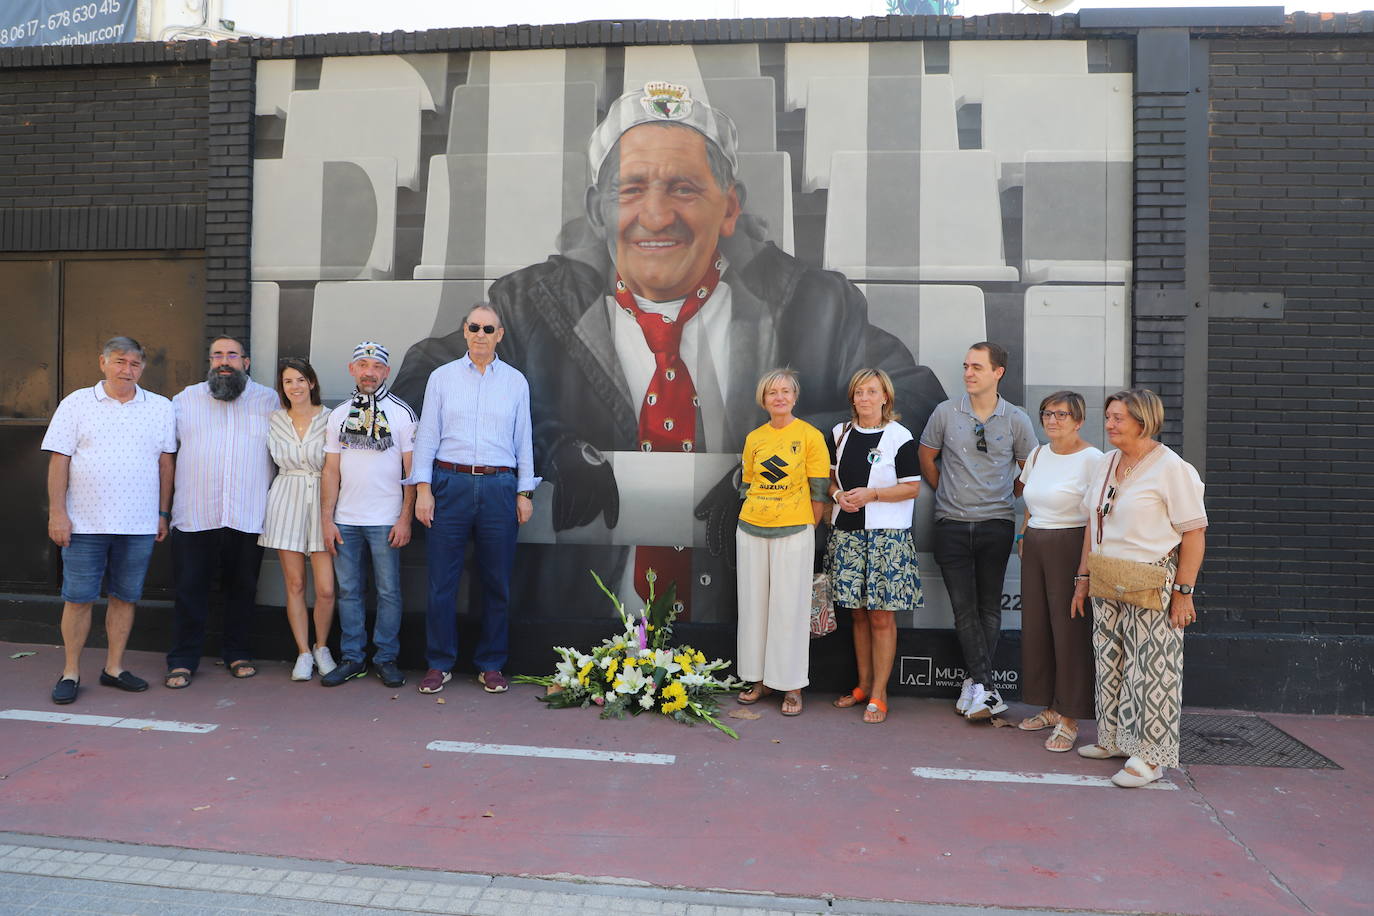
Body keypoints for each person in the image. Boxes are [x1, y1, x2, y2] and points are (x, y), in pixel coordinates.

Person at [391, 80, 945, 620]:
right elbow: (422, 385)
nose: (654, 216)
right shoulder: (528, 305)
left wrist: (775, 456)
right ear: (596, 210)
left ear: (729, 207)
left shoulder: (816, 304)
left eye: (683, 188)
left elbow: (916, 400)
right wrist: (547, 439)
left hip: (744, 608)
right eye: (630, 190)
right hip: (579, 621)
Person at [1071, 389, 1207, 788]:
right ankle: (1114, 738)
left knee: (1153, 669)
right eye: (1109, 417)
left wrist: (1184, 591)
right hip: (1106, 574)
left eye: (1118, 419)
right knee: (1110, 660)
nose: (1110, 424)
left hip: (1152, 577)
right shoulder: (1107, 462)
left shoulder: (1171, 468)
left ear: (1143, 422)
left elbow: (1195, 533)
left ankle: (1150, 757)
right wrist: (1082, 578)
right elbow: (1091, 524)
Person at [41, 336, 175, 705]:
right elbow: (59, 461)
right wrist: (57, 513)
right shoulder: (77, 403)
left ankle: (114, 668)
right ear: (102, 362)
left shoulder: (160, 407)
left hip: (138, 525)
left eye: (134, 364)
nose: (126, 370)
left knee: (125, 598)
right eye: (119, 362)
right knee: (79, 599)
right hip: (84, 524)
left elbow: (166, 464)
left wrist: (162, 513)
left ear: (142, 368)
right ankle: (70, 671)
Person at [411, 305, 537, 695]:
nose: (480, 333)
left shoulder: (516, 382)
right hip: (450, 483)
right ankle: (439, 663)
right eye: (474, 327)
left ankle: (492, 664)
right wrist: (423, 490)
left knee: (497, 581)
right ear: (464, 332)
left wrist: (524, 491)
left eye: (488, 328)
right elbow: (427, 437)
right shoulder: (442, 378)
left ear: (500, 335)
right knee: (441, 582)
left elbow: (524, 440)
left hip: (500, 486)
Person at [919, 341, 1038, 721]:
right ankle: (986, 689)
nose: (969, 373)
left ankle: (977, 686)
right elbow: (926, 456)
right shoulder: (944, 412)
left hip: (997, 524)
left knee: (989, 607)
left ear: (997, 373)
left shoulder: (1016, 418)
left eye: (977, 367)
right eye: (966, 366)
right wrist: (945, 492)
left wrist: (1008, 493)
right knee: (963, 609)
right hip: (950, 524)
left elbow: (1029, 467)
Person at [165, 336, 279, 688]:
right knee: (189, 590)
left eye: (232, 355)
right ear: (209, 361)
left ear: (246, 361)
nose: (224, 361)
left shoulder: (269, 400)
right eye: (218, 355)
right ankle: (183, 659)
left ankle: (238, 653)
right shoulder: (184, 401)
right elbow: (165, 456)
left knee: (243, 589)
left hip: (247, 512)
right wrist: (162, 510)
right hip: (195, 513)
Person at [827, 368, 923, 725]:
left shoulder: (900, 436)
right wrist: (838, 494)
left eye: (872, 392)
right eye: (859, 392)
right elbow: (830, 478)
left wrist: (873, 494)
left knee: (882, 615)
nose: (865, 398)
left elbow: (912, 487)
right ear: (852, 398)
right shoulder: (840, 433)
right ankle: (863, 685)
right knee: (857, 613)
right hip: (848, 534)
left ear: (886, 398)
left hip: (887, 537)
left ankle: (880, 694)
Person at [320, 342, 417, 689]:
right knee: (348, 591)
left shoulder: (402, 413)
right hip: (346, 518)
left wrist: (405, 518)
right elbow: (331, 471)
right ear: (352, 370)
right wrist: (327, 519)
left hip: (386, 518)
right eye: (363, 364)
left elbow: (412, 471)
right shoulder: (338, 414)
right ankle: (352, 658)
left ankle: (386, 658)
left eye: (377, 366)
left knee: (389, 591)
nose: (369, 372)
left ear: (386, 372)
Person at [735, 368, 829, 717]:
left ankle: (790, 685)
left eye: (786, 391)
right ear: (764, 399)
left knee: (789, 608)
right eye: (773, 392)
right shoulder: (754, 438)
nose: (780, 397)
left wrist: (805, 524)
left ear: (795, 396)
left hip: (794, 530)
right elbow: (747, 484)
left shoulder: (809, 436)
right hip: (751, 529)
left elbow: (819, 491)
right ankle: (757, 679)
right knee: (754, 606)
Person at [1015, 391, 1103, 752]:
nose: (1052, 420)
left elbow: (1095, 517)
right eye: (1047, 414)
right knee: (1039, 629)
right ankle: (1051, 708)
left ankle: (1070, 718)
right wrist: (1023, 534)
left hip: (1070, 547)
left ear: (1079, 420)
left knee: (1069, 631)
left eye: (1061, 415)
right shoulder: (1037, 453)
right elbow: (1029, 501)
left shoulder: (1094, 459)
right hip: (1036, 543)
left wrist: (1084, 570)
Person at [258, 357, 336, 682]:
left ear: (312, 383)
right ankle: (303, 652)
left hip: (321, 500)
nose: (295, 386)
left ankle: (322, 647)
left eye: (301, 380)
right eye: (288, 381)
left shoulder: (332, 419)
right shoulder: (273, 419)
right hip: (286, 497)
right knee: (294, 583)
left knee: (326, 589)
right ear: (283, 387)